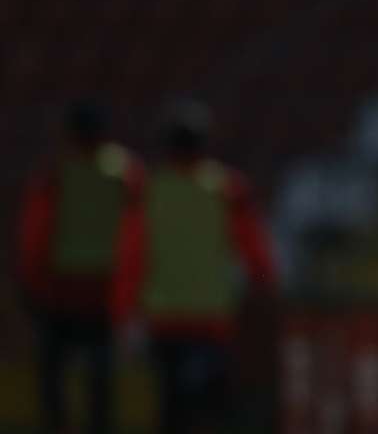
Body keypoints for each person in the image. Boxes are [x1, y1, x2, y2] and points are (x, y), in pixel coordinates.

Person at [112, 101, 276, 434]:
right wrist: (265, 284)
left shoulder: (148, 192)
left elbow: (130, 258)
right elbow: (256, 252)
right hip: (212, 317)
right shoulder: (228, 189)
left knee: (172, 409)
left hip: (164, 318)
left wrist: (123, 314)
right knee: (210, 407)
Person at [16, 101, 144, 434]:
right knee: (100, 376)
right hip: (104, 288)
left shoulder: (55, 172)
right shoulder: (126, 172)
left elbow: (35, 232)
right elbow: (140, 233)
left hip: (61, 288)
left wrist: (30, 281)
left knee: (53, 373)